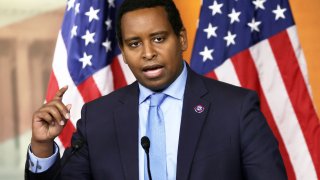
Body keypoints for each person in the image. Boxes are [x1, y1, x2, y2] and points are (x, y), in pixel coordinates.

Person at [25, 0, 287, 179]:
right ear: (124, 52)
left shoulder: (235, 109)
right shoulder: (98, 117)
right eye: (134, 43)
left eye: (159, 39)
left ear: (181, 39)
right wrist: (42, 146)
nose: (148, 53)